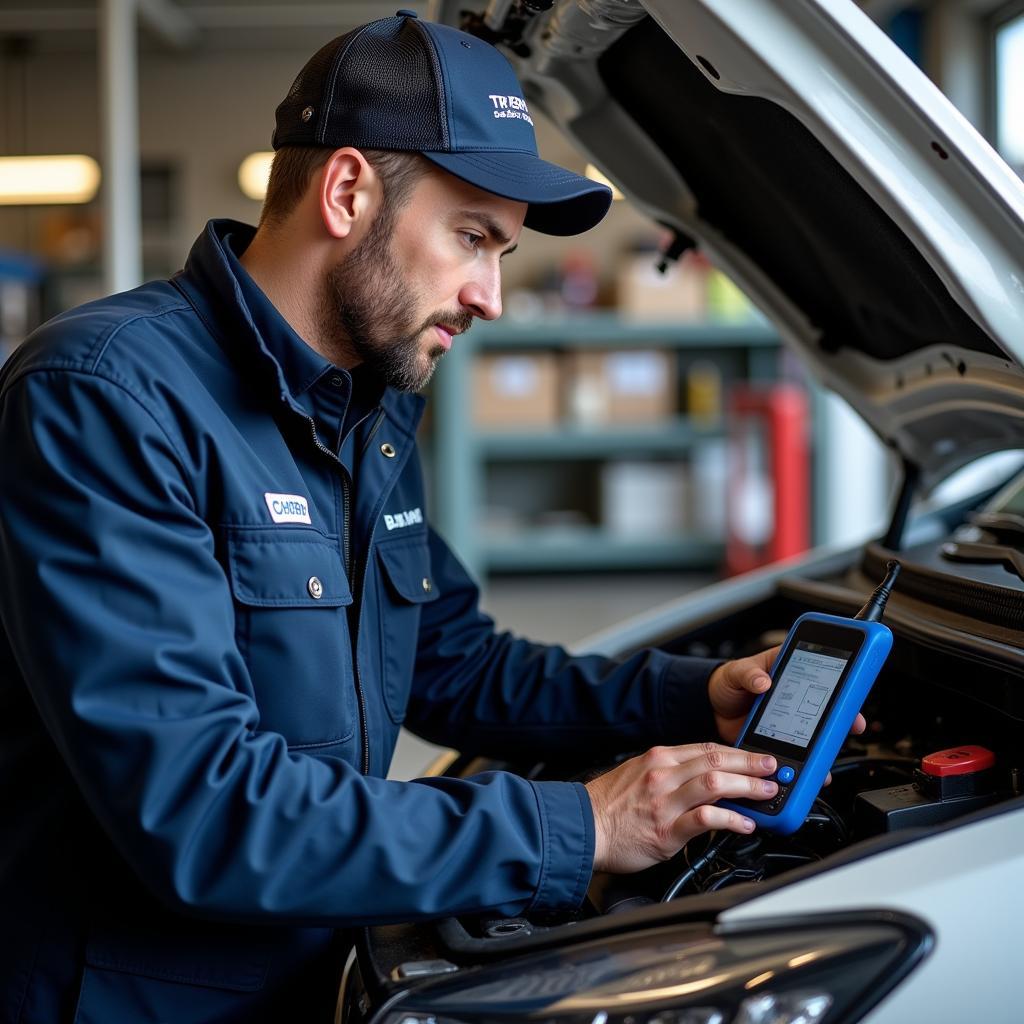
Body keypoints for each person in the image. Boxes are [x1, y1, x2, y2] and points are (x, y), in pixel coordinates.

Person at [0, 11, 862, 1023]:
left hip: (312, 963)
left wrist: (689, 697)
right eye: (472, 238)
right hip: (130, 999)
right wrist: (575, 825)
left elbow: (454, 661)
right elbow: (202, 809)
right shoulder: (103, 398)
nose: (490, 295)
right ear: (348, 190)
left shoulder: (364, 405)